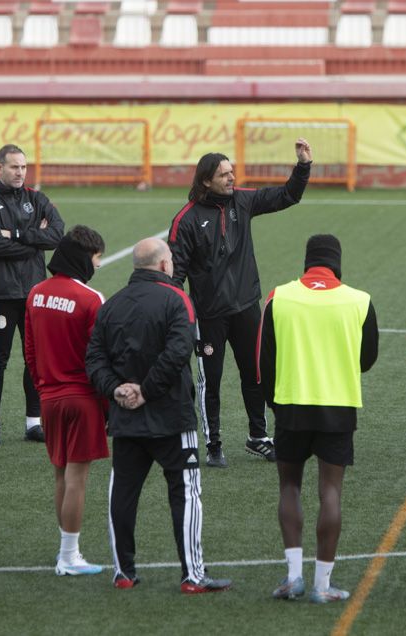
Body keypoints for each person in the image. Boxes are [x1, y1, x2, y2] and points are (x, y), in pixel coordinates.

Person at [86, 238, 231, 594]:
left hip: (125, 419)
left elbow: (94, 359)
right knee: (186, 494)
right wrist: (147, 391)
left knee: (121, 494)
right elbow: (179, 351)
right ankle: (192, 575)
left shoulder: (112, 304)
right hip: (172, 418)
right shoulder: (177, 299)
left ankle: (123, 572)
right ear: (165, 265)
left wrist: (117, 389)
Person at [168, 138, 313, 467]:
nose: (232, 178)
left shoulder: (242, 202)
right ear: (206, 180)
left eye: (232, 172)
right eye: (224, 174)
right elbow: (175, 274)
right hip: (209, 314)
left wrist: (303, 166)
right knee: (211, 381)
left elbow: (287, 195)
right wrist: (177, 312)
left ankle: (257, 437)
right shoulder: (187, 220)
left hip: (247, 306)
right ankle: (214, 443)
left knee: (256, 374)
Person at [259, 235, 378, 604]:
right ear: (337, 262)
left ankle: (293, 576)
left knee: (289, 488)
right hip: (337, 407)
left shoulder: (280, 297)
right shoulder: (359, 301)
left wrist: (274, 404)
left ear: (307, 261)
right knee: (330, 491)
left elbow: (263, 361)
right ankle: (322, 585)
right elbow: (367, 358)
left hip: (290, 404)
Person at [24, 226, 109, 576]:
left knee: (61, 475)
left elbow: (30, 351)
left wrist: (44, 388)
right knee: (77, 478)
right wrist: (105, 405)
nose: (99, 264)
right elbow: (99, 357)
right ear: (83, 257)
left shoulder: (35, 294)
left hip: (49, 397)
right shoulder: (91, 299)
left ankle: (65, 549)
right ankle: (69, 557)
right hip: (82, 399)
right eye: (97, 257)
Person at [0, 144, 64, 446]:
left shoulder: (37, 199)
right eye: (14, 167)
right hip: (0, 292)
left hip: (34, 294)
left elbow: (57, 235)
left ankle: (33, 423)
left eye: (23, 167)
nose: (19, 172)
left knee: (35, 359)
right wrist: (34, 241)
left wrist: (14, 234)